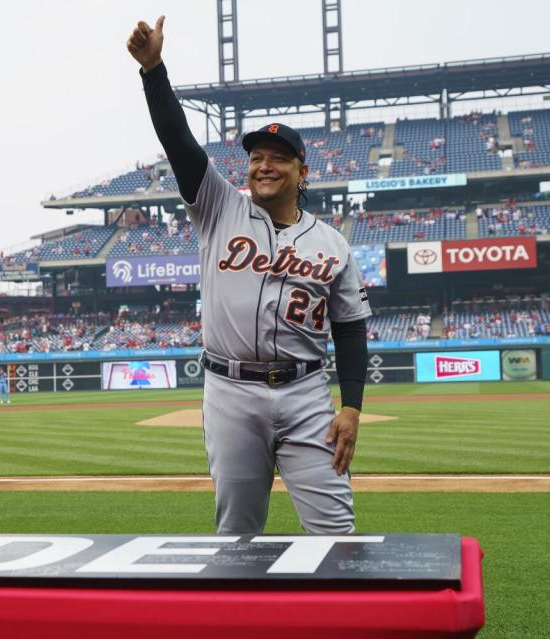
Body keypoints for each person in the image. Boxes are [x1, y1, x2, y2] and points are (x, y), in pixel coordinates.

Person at [127, 16, 369, 535]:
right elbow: (179, 140)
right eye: (257, 156)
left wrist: (351, 406)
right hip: (230, 391)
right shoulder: (218, 207)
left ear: (302, 172)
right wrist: (153, 71)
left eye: (279, 158)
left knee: (336, 531)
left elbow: (350, 327)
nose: (264, 165)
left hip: (307, 394)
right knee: (237, 535)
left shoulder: (332, 243)